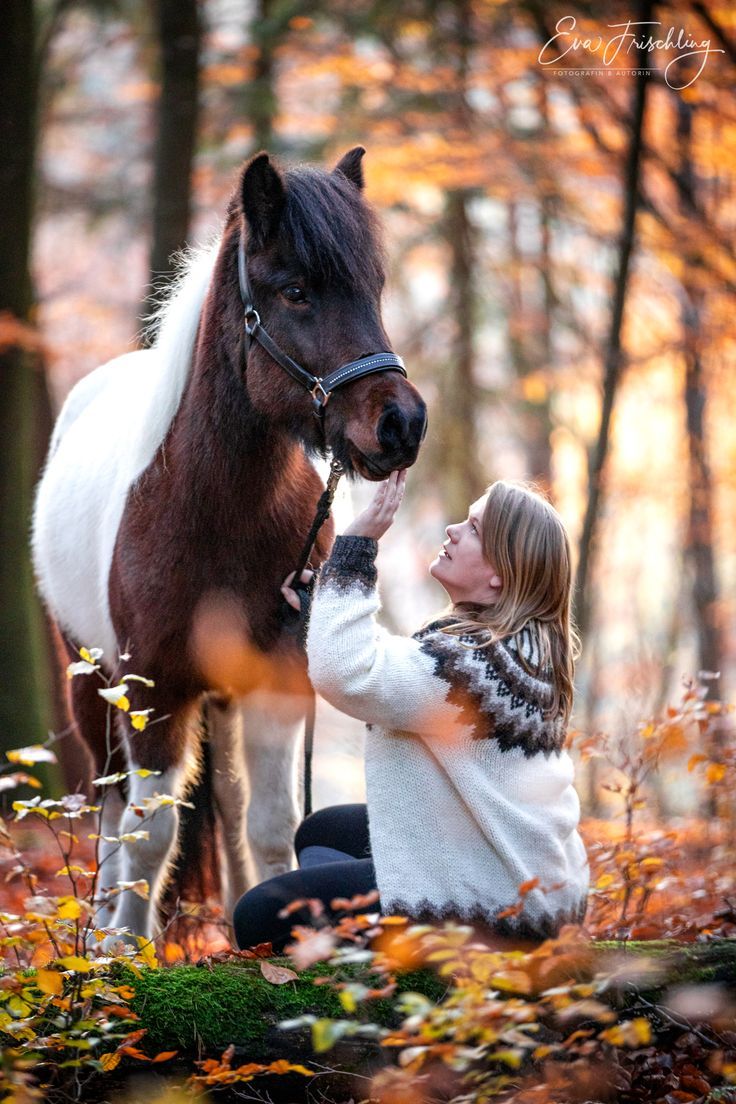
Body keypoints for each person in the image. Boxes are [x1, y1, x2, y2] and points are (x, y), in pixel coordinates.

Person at [233, 471, 589, 953]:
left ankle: (382, 963)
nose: (453, 531)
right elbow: (396, 677)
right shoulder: (509, 649)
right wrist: (321, 617)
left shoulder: (470, 666)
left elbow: (352, 675)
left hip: (495, 914)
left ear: (499, 573)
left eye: (475, 529)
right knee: (324, 832)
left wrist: (356, 545)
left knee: (258, 915)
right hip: (522, 885)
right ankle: (361, 947)